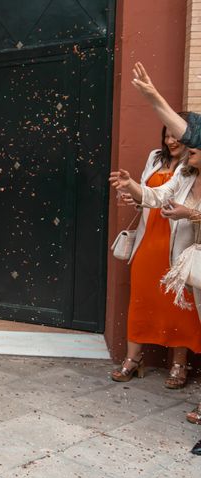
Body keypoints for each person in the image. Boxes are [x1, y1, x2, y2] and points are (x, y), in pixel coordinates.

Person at [130, 61, 201, 456]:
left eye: (191, 146)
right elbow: (157, 196)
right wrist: (135, 189)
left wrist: (191, 215)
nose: (184, 150)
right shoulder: (187, 173)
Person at [110, 120, 201, 388]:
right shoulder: (155, 158)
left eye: (177, 136)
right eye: (167, 135)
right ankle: (133, 359)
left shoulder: (190, 170)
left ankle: (178, 363)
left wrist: (189, 213)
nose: (172, 141)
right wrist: (132, 191)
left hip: (180, 240)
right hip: (150, 237)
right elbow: (150, 195)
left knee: (179, 303)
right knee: (141, 297)